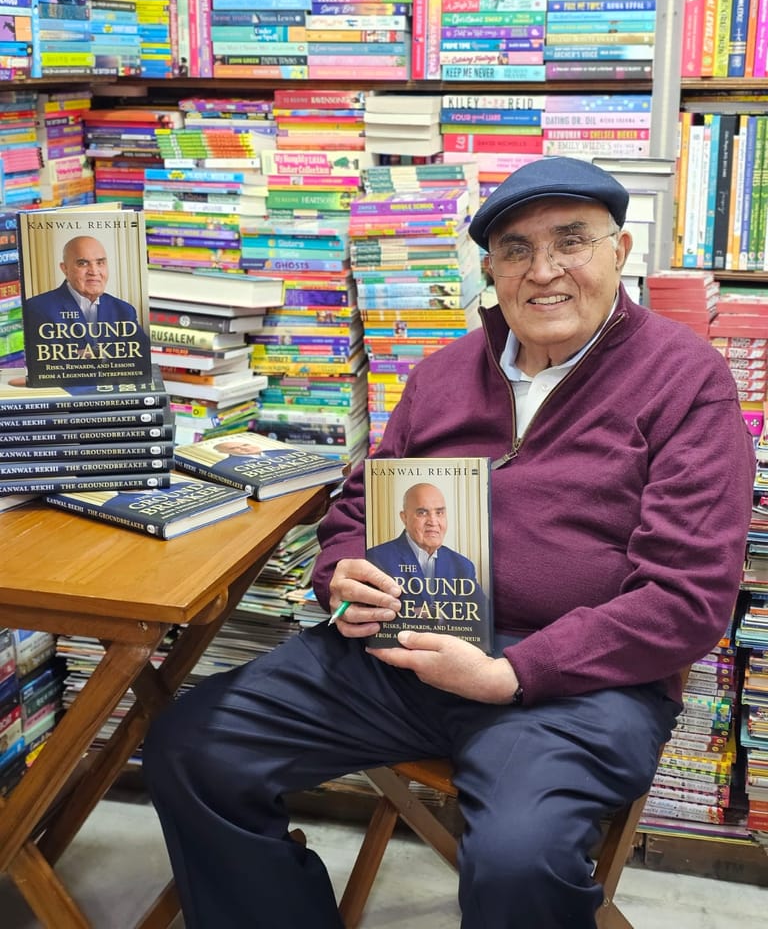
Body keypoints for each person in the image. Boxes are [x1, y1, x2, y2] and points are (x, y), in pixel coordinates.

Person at [143, 156, 756, 929]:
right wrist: (341, 573)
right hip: (408, 650)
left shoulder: (685, 380)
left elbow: (686, 599)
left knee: (519, 859)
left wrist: (512, 674)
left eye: (571, 241)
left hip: (579, 684)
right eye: (516, 250)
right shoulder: (442, 375)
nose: (544, 271)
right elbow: (361, 503)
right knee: (193, 747)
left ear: (620, 252)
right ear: (491, 269)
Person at [24, 235, 150, 358]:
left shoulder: (124, 311)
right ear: (65, 269)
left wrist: (87, 355)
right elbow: (42, 362)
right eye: (83, 263)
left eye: (100, 263)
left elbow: (142, 358)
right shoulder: (37, 308)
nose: (94, 272)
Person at [367, 481, 479, 584]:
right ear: (404, 517)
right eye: (422, 513)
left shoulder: (463, 567)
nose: (433, 522)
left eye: (439, 513)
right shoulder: (376, 559)